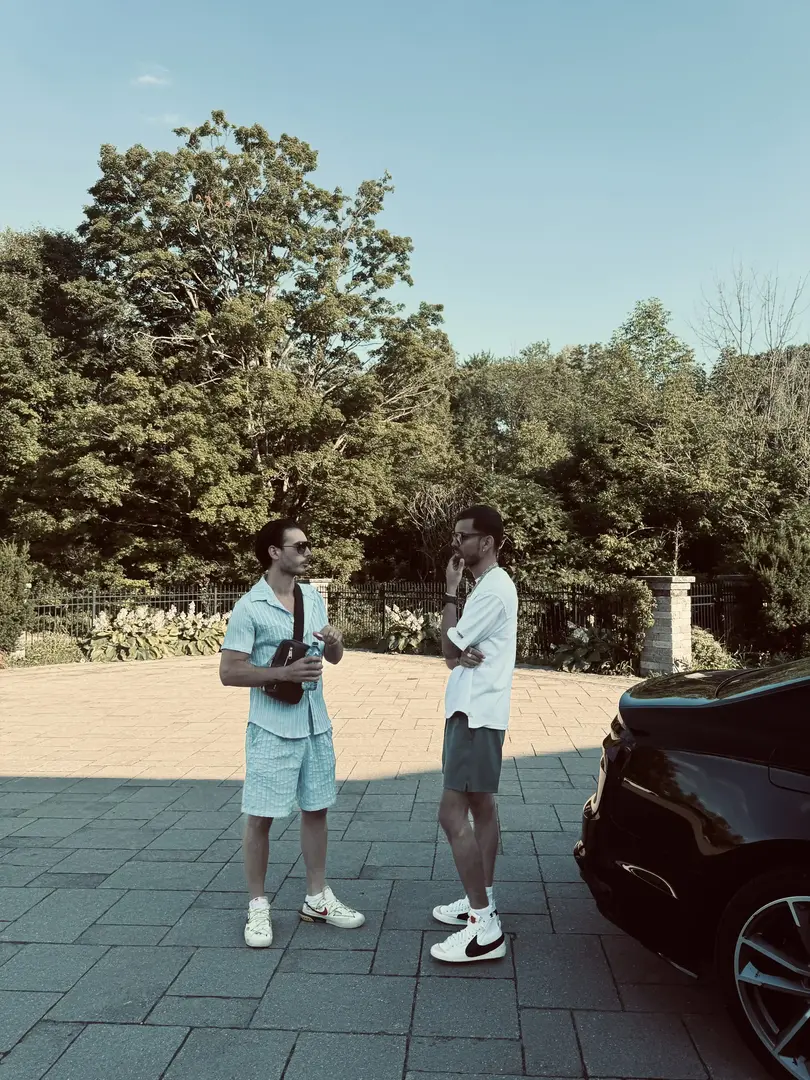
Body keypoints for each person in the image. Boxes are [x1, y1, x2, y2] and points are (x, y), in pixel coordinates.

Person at [219, 518, 365, 947]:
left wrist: (335, 641)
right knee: (260, 817)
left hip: (314, 723)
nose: (307, 551)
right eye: (298, 546)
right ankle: (258, 907)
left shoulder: (312, 597)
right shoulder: (251, 607)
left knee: (317, 809)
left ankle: (317, 898)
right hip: (271, 727)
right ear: (273, 552)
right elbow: (229, 671)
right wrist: (283, 672)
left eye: (307, 545)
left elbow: (333, 658)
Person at [430, 504, 518, 963]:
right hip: (482, 712)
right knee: (482, 806)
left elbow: (446, 646)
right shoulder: (491, 587)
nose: (456, 546)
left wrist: (448, 592)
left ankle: (484, 928)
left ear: (486, 542)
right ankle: (479, 898)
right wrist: (456, 649)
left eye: (462, 537)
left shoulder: (490, 591)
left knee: (451, 815)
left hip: (473, 715)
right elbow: (453, 655)